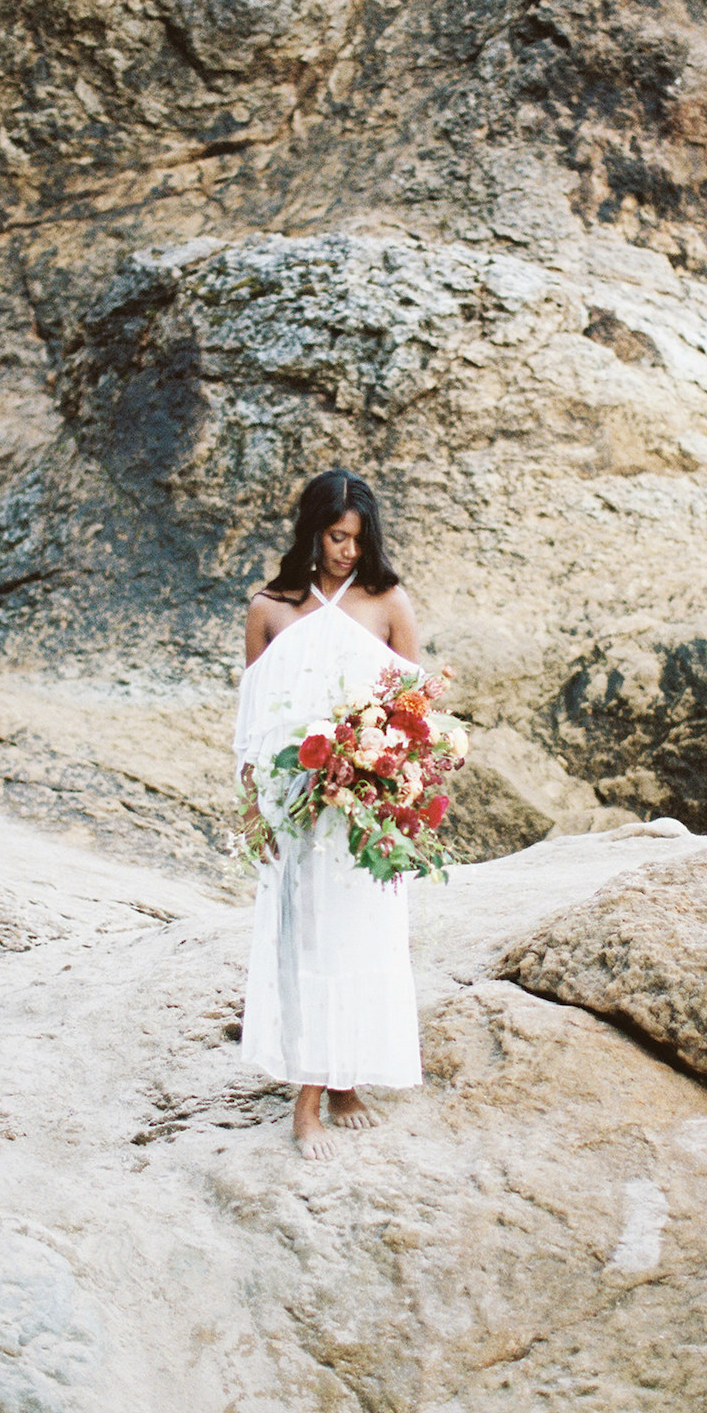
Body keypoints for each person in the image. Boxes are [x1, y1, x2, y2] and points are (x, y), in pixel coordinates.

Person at [234, 469, 423, 1160]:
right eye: (336, 536)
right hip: (296, 802)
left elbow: (414, 711)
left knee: (363, 938)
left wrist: (398, 787)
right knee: (306, 942)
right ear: (311, 532)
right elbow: (254, 720)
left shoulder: (388, 601)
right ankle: (308, 1102)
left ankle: (344, 1084)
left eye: (358, 538)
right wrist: (254, 807)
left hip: (364, 803)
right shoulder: (270, 607)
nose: (348, 551)